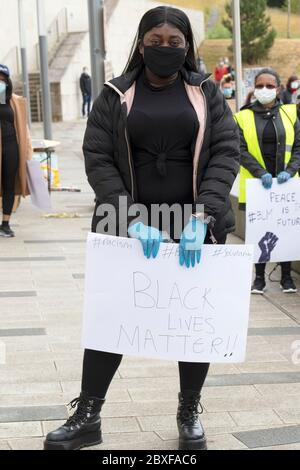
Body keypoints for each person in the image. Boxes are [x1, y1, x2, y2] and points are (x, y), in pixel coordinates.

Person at [44, 6, 240, 451]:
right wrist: (130, 217)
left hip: (193, 224)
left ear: (188, 47)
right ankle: (88, 415)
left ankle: (189, 410)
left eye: (175, 43)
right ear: (140, 43)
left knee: (192, 320)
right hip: (128, 224)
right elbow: (98, 158)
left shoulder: (206, 91)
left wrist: (203, 216)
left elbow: (226, 150)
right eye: (156, 42)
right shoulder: (116, 93)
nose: (165, 50)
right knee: (110, 318)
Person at [235, 68, 300, 295]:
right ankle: (259, 278)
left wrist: (291, 171)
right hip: (258, 186)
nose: (265, 90)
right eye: (260, 85)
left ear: (279, 89)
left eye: (270, 86)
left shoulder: (291, 114)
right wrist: (259, 172)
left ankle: (286, 278)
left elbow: (299, 147)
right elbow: (240, 150)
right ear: (254, 88)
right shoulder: (243, 116)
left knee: (286, 230)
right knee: (259, 232)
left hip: (285, 185)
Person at [0, 64, 32, 238]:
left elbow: (24, 131)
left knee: (9, 185)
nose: (0, 82)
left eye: (2, 79)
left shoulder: (16, 102)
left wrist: (28, 153)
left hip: (11, 146)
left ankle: (5, 223)